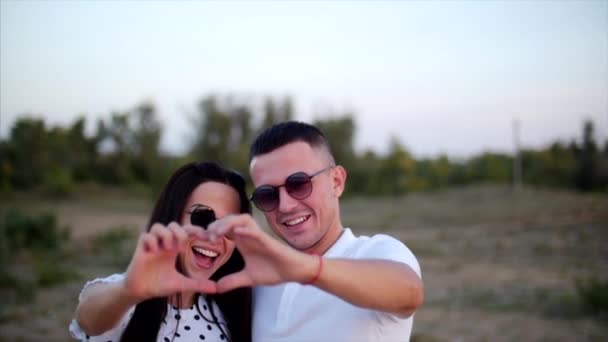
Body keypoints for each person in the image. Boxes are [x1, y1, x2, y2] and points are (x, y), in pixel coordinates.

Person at [205, 121, 424, 341]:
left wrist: (305, 269)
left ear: (336, 181)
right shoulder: (259, 278)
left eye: (299, 184)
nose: (285, 206)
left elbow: (410, 292)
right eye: (267, 195)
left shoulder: (375, 251)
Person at [69, 161, 252, 342]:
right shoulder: (129, 296)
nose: (215, 236)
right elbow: (88, 321)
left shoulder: (231, 309)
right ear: (173, 216)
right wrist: (128, 293)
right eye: (202, 217)